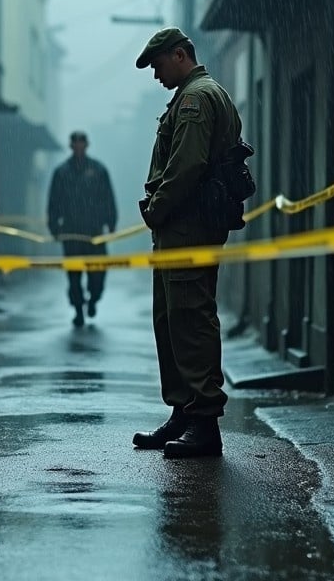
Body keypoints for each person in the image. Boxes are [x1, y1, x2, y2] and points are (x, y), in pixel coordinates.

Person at [131, 27, 243, 459]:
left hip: (188, 225)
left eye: (157, 65)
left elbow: (187, 165)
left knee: (191, 319)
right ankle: (184, 412)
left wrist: (157, 206)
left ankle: (204, 422)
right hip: (183, 226)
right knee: (172, 319)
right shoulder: (193, 94)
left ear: (179, 55)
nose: (155, 75)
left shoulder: (197, 98)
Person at [46, 131, 118, 327]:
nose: (78, 146)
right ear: (71, 146)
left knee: (98, 273)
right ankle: (78, 309)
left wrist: (111, 222)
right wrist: (54, 226)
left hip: (94, 232)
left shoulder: (98, 171)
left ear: (86, 145)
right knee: (74, 276)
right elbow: (54, 202)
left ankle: (93, 299)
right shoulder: (61, 173)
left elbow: (108, 198)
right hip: (71, 232)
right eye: (75, 143)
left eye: (81, 143)